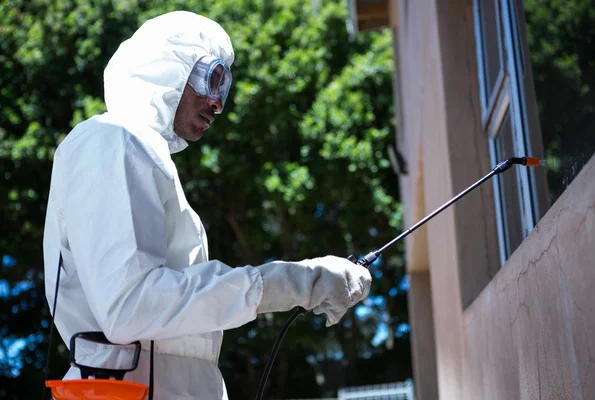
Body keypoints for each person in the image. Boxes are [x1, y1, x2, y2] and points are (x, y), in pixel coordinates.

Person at [43, 11, 371, 399]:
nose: (217, 104)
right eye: (209, 79)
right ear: (167, 71)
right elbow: (129, 306)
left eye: (223, 87)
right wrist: (293, 283)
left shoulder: (143, 154)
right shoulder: (112, 139)